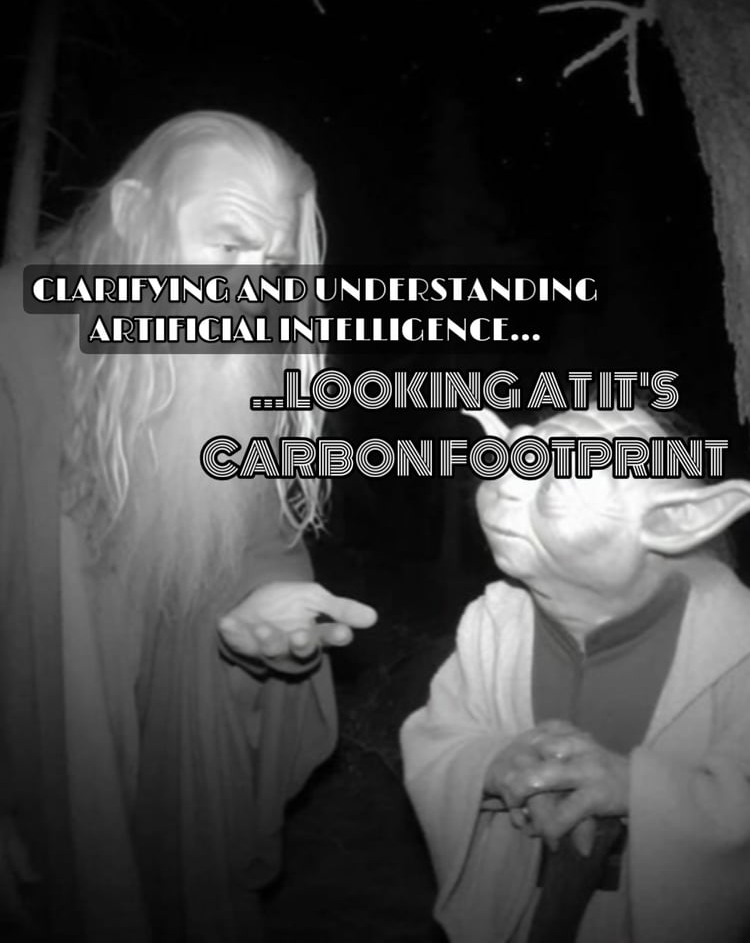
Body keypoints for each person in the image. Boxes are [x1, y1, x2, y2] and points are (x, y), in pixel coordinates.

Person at [0, 110, 376, 942]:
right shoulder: (12, 337)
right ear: (135, 214)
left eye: (273, 264)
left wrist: (266, 602)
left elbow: (253, 533)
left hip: (168, 753)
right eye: (228, 246)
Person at [401, 404, 750, 943]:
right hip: (519, 908)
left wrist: (641, 791)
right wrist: (490, 765)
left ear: (674, 522)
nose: (508, 486)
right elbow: (439, 738)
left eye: (558, 482)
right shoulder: (492, 624)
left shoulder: (736, 644)